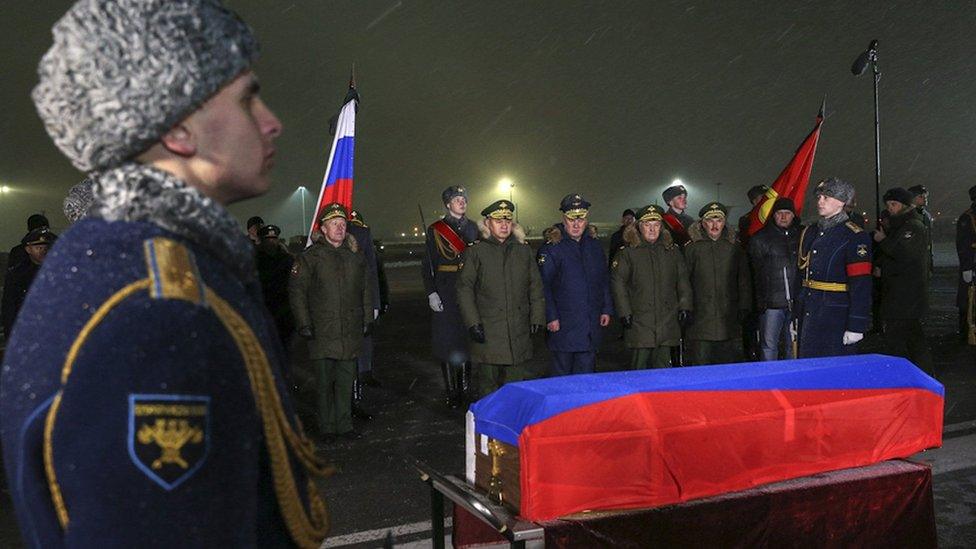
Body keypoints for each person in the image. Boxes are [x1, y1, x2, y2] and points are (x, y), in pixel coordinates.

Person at [0, 2, 331, 546]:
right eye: (248, 98)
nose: (272, 121)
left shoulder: (109, 255)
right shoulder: (158, 309)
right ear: (179, 129)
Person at [290, 203, 373, 443]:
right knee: (325, 383)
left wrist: (367, 318)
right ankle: (326, 427)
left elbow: (365, 289)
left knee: (346, 381)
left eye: (342, 224)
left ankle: (344, 425)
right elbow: (297, 292)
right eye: (334, 224)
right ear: (323, 229)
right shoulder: (310, 258)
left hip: (349, 330)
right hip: (322, 330)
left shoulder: (355, 257)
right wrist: (304, 322)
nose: (339, 227)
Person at [456, 200, 545, 397]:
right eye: (498, 221)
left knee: (515, 388)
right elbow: (464, 289)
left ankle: (510, 425)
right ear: (487, 223)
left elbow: (535, 287)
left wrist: (537, 317)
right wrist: (473, 323)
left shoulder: (523, 252)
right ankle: (488, 427)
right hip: (489, 333)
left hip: (518, 331)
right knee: (489, 388)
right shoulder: (476, 252)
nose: (504, 225)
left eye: (508, 220)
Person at [536, 194, 613, 376]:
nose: (577, 224)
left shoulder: (594, 246)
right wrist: (550, 317)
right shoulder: (552, 248)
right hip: (563, 326)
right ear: (564, 219)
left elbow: (603, 279)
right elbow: (543, 286)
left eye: (581, 219)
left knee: (586, 376)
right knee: (562, 377)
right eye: (572, 219)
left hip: (590, 325)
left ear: (586, 220)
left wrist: (606, 308)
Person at [796, 178, 873, 358]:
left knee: (835, 370)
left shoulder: (854, 236)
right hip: (810, 310)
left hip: (836, 314)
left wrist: (856, 324)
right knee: (809, 366)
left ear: (841, 202)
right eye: (819, 197)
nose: (820, 201)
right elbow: (801, 275)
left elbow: (861, 284)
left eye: (826, 197)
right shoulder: (810, 231)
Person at [611, 204, 693, 369]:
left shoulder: (672, 251)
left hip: (666, 321)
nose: (652, 229)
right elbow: (618, 283)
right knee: (639, 370)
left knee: (663, 372)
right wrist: (624, 312)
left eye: (656, 225)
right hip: (640, 322)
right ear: (639, 226)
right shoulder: (628, 253)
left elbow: (682, 280)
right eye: (647, 225)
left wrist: (685, 306)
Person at [422, 186, 480, 407]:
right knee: (447, 342)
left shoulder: (474, 227)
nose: (461, 202)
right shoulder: (436, 229)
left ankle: (465, 389)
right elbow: (428, 265)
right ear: (447, 204)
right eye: (456, 199)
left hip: (470, 288)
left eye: (463, 198)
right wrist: (431, 292)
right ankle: (451, 392)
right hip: (445, 288)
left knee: (466, 341)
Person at [683, 202, 751, 365]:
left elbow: (743, 280)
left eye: (719, 220)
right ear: (702, 223)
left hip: (729, 319)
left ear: (724, 222)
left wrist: (744, 306)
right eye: (710, 221)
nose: (715, 225)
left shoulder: (734, 247)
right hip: (700, 321)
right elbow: (683, 281)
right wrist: (686, 307)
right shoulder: (692, 249)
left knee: (728, 366)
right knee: (701, 366)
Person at [874, 188, 933, 372]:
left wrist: (882, 240)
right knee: (909, 337)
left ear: (905, 205)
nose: (890, 208)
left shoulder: (912, 226)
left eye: (894, 204)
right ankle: (917, 374)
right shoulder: (900, 225)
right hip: (899, 294)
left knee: (905, 339)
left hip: (907, 294)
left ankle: (912, 375)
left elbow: (903, 254)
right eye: (889, 205)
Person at [748, 197, 802, 360]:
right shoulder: (760, 239)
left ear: (794, 215)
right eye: (780, 213)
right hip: (771, 304)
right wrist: (759, 302)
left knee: (792, 345)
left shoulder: (803, 235)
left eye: (787, 213)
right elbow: (754, 273)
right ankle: (768, 379)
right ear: (773, 215)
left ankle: (791, 381)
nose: (784, 217)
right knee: (769, 345)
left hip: (797, 303)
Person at [346, 209, 381, 418]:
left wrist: (376, 303)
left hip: (361, 301)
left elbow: (373, 273)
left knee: (361, 346)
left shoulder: (362, 236)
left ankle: (356, 396)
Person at [1, 228, 57, 338]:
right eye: (38, 247)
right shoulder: (17, 275)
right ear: (28, 249)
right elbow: (9, 308)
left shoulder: (57, 270)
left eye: (46, 247)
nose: (43, 251)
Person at [255, 223, 295, 348]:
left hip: (284, 311)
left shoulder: (287, 259)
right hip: (264, 310)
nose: (271, 242)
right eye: (268, 239)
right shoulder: (254, 260)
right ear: (262, 241)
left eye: (274, 238)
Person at [955, 185, 976, 343]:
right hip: (972, 264)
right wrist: (967, 266)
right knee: (967, 300)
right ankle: (966, 331)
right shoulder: (967, 218)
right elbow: (963, 244)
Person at [908, 185, 935, 276]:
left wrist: (930, 263)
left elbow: (928, 241)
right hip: (911, 261)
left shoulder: (926, 215)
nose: (925, 198)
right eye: (921, 196)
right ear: (912, 199)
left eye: (925, 196)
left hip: (924, 259)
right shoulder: (907, 215)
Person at [737, 184, 769, 250]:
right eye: (763, 197)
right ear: (754, 201)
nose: (766, 199)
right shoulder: (746, 219)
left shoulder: (774, 216)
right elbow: (745, 243)